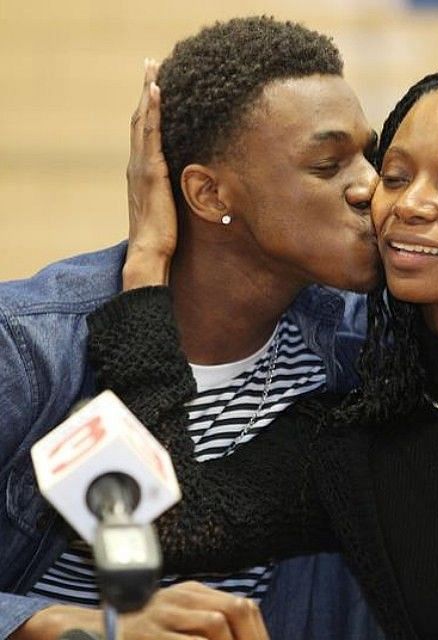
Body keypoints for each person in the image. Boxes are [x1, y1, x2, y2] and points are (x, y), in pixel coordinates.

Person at [87, 65, 438, 640]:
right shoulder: (355, 441)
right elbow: (148, 525)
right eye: (396, 177)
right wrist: (148, 267)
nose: (408, 205)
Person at [1, 17, 383, 640]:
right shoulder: (27, 345)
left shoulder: (360, 348)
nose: (370, 185)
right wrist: (64, 625)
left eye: (369, 154)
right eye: (327, 164)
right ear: (208, 194)